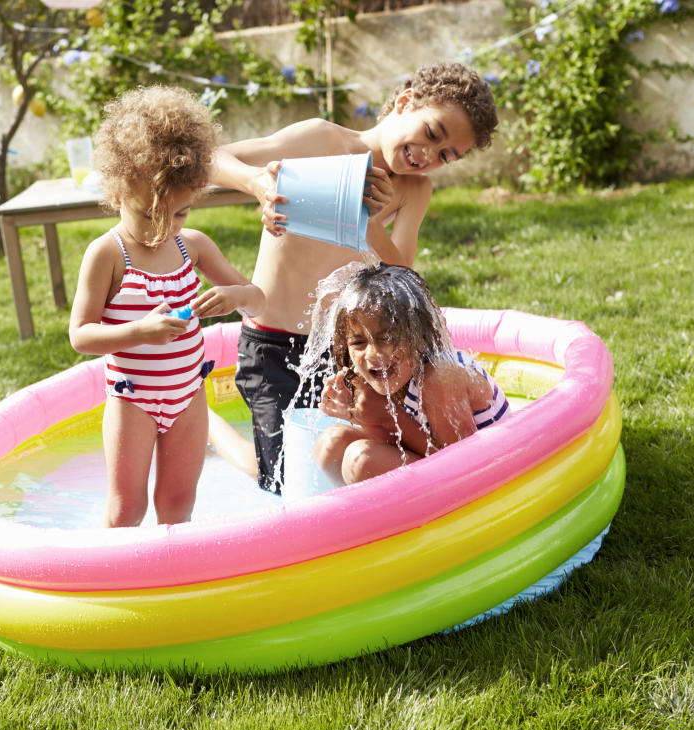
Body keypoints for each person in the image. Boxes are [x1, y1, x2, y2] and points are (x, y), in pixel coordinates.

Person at [209, 62, 498, 492]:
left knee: (341, 469)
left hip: (351, 351)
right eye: (433, 134)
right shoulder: (323, 141)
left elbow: (405, 282)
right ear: (404, 103)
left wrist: (368, 223)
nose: (428, 156)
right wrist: (255, 183)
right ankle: (208, 425)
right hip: (272, 346)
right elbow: (209, 156)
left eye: (445, 156)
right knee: (286, 483)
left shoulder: (413, 191)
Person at [69, 86, 266, 528]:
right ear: (116, 194)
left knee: (178, 505)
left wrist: (234, 298)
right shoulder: (108, 255)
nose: (162, 229)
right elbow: (80, 335)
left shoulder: (193, 246)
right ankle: (114, 586)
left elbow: (257, 297)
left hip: (188, 396)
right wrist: (139, 331)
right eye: (147, 215)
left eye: (178, 214)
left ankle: (171, 586)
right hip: (133, 399)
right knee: (127, 509)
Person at [312, 261, 509, 484]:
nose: (373, 354)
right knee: (331, 445)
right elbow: (396, 444)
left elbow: (462, 470)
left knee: (362, 461)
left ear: (419, 337)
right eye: (358, 342)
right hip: (443, 465)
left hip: (493, 475)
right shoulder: (380, 375)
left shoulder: (440, 378)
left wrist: (386, 415)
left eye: (387, 338)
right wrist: (362, 415)